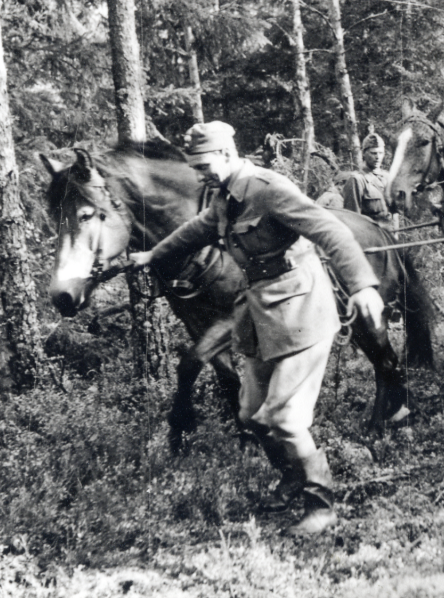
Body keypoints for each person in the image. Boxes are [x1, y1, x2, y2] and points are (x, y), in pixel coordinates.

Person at [130, 121, 384, 535]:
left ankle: (321, 505)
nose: (200, 175)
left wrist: (362, 285)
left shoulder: (268, 188)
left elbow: (330, 230)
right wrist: (151, 255)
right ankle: (292, 476)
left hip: (301, 311)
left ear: (226, 155)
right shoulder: (224, 195)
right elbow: (199, 229)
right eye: (195, 167)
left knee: (285, 418)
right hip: (259, 313)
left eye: (204, 165)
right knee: (250, 414)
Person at [342, 130, 393, 228]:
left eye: (380, 153)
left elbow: (394, 214)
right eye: (373, 153)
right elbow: (352, 218)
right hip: (369, 235)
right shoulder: (357, 180)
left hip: (388, 234)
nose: (378, 157)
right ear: (364, 154)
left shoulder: (388, 178)